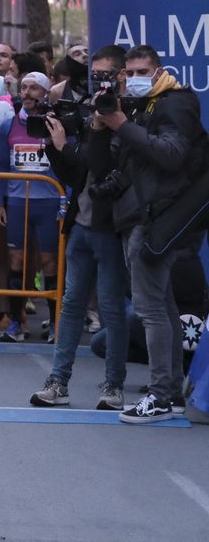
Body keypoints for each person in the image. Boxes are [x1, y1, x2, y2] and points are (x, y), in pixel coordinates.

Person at [101, 44, 207, 423]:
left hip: (163, 215)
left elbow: (171, 155)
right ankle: (171, 391)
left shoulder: (175, 103)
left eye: (142, 72)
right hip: (150, 214)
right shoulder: (144, 105)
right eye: (129, 73)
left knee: (151, 309)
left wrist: (122, 125)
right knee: (163, 305)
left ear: (159, 71)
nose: (134, 79)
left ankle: (160, 394)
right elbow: (126, 158)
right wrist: (107, 125)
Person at [32, 45, 129, 411]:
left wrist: (70, 146)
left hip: (109, 227)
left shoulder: (126, 117)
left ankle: (114, 386)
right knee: (71, 305)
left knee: (111, 309)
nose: (99, 82)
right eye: (94, 75)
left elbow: (103, 168)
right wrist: (54, 146)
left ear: (120, 76)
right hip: (81, 223)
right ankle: (58, 381)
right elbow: (77, 173)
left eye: (105, 75)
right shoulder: (91, 112)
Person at [0, 71, 62, 342]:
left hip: (49, 203)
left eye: (34, 88)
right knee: (16, 260)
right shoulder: (8, 126)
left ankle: (55, 323)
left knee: (49, 262)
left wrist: (66, 199)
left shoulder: (55, 125)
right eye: (24, 87)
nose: (28, 93)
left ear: (45, 93)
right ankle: (16, 323)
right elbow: (1, 166)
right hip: (18, 202)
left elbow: (67, 165)